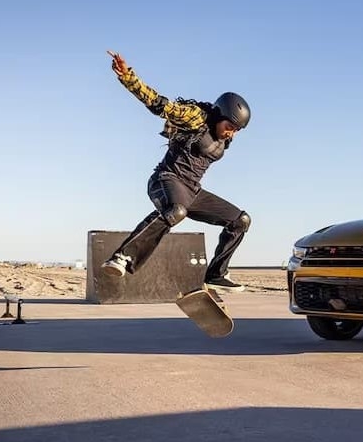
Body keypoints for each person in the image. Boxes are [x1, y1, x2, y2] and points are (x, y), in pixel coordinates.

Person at [100, 50, 252, 292]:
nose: (230, 133)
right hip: (166, 180)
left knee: (240, 220)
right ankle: (122, 256)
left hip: (193, 191)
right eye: (229, 126)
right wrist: (129, 77)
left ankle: (216, 274)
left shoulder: (225, 138)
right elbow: (160, 105)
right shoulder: (196, 118)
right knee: (177, 211)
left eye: (236, 131)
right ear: (219, 115)